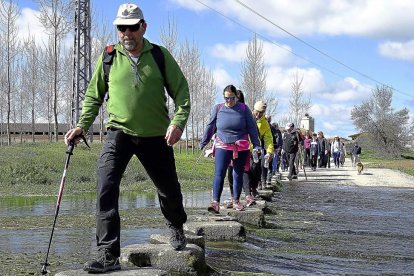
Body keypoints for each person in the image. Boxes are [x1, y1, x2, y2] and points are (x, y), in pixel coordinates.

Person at [64, 3, 191, 273]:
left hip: (156, 135)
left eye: (132, 27)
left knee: (168, 189)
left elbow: (182, 94)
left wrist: (178, 123)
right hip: (118, 133)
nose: (127, 33)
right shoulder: (109, 58)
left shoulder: (159, 56)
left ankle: (176, 225)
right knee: (105, 188)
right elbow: (92, 96)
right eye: (122, 28)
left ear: (143, 27)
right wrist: (81, 126)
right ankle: (109, 256)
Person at [200, 85, 260, 213]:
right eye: (226, 98)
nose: (229, 101)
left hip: (240, 145)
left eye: (231, 98)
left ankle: (236, 201)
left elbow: (252, 128)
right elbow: (211, 126)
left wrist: (256, 144)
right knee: (219, 173)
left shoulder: (243, 109)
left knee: (237, 173)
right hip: (223, 144)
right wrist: (204, 141)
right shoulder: (218, 108)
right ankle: (215, 202)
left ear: (236, 97)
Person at [248, 100, 274, 196]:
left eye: (261, 113)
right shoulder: (247, 117)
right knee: (247, 169)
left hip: (256, 150)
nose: (258, 114)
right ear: (253, 110)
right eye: (257, 112)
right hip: (244, 147)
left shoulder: (265, 124)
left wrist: (270, 152)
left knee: (255, 168)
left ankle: (254, 188)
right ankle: (248, 190)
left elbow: (269, 139)